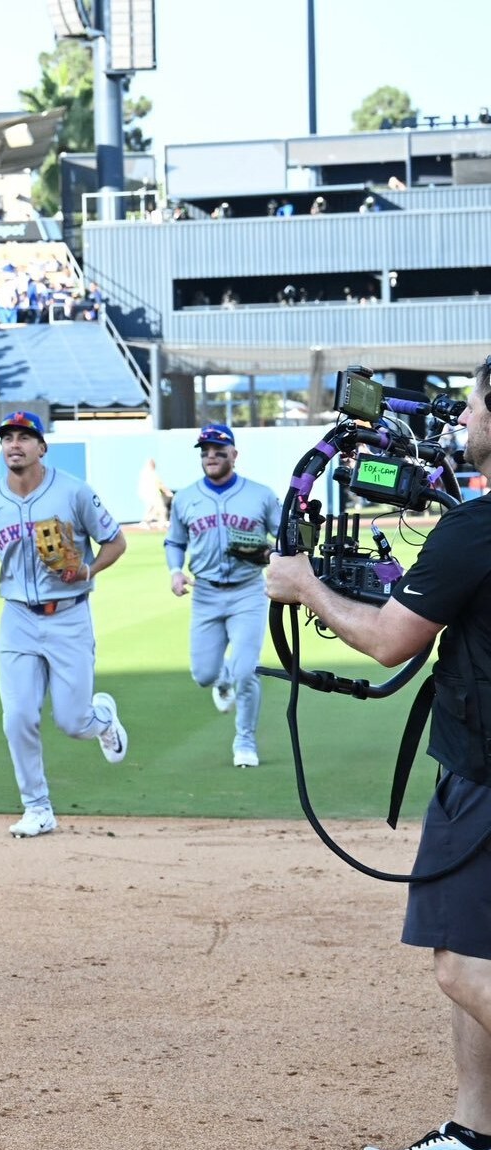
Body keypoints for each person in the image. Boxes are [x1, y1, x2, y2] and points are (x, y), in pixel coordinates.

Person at [267, 357, 491, 1150]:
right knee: (480, 957)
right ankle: (475, 1131)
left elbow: (390, 642)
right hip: (476, 759)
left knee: (462, 968)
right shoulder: (470, 526)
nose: (460, 422)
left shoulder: (475, 530)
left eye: (470, 409)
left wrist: (305, 586)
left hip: (485, 780)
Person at [0, 412, 130, 838]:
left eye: (25, 437)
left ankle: (102, 720)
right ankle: (37, 807)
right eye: (8, 437)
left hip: (68, 616)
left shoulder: (74, 492)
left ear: (41, 448)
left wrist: (89, 569)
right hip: (18, 620)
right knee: (18, 717)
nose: (15, 444)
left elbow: (116, 541)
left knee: (72, 721)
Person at [165, 424, 280, 767]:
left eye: (218, 450)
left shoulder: (260, 495)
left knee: (247, 672)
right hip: (205, 594)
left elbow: (285, 540)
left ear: (234, 454)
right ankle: (222, 680)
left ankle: (244, 741)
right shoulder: (186, 497)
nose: (211, 456)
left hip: (248, 592)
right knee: (204, 674)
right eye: (205, 451)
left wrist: (267, 553)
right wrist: (175, 570)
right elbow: (175, 540)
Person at [137, 456, 173, 531]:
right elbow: (159, 484)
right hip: (153, 495)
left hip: (150, 495)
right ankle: (159, 524)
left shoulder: (145, 473)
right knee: (161, 510)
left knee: (155, 510)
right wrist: (167, 492)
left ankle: (150, 523)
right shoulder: (150, 473)